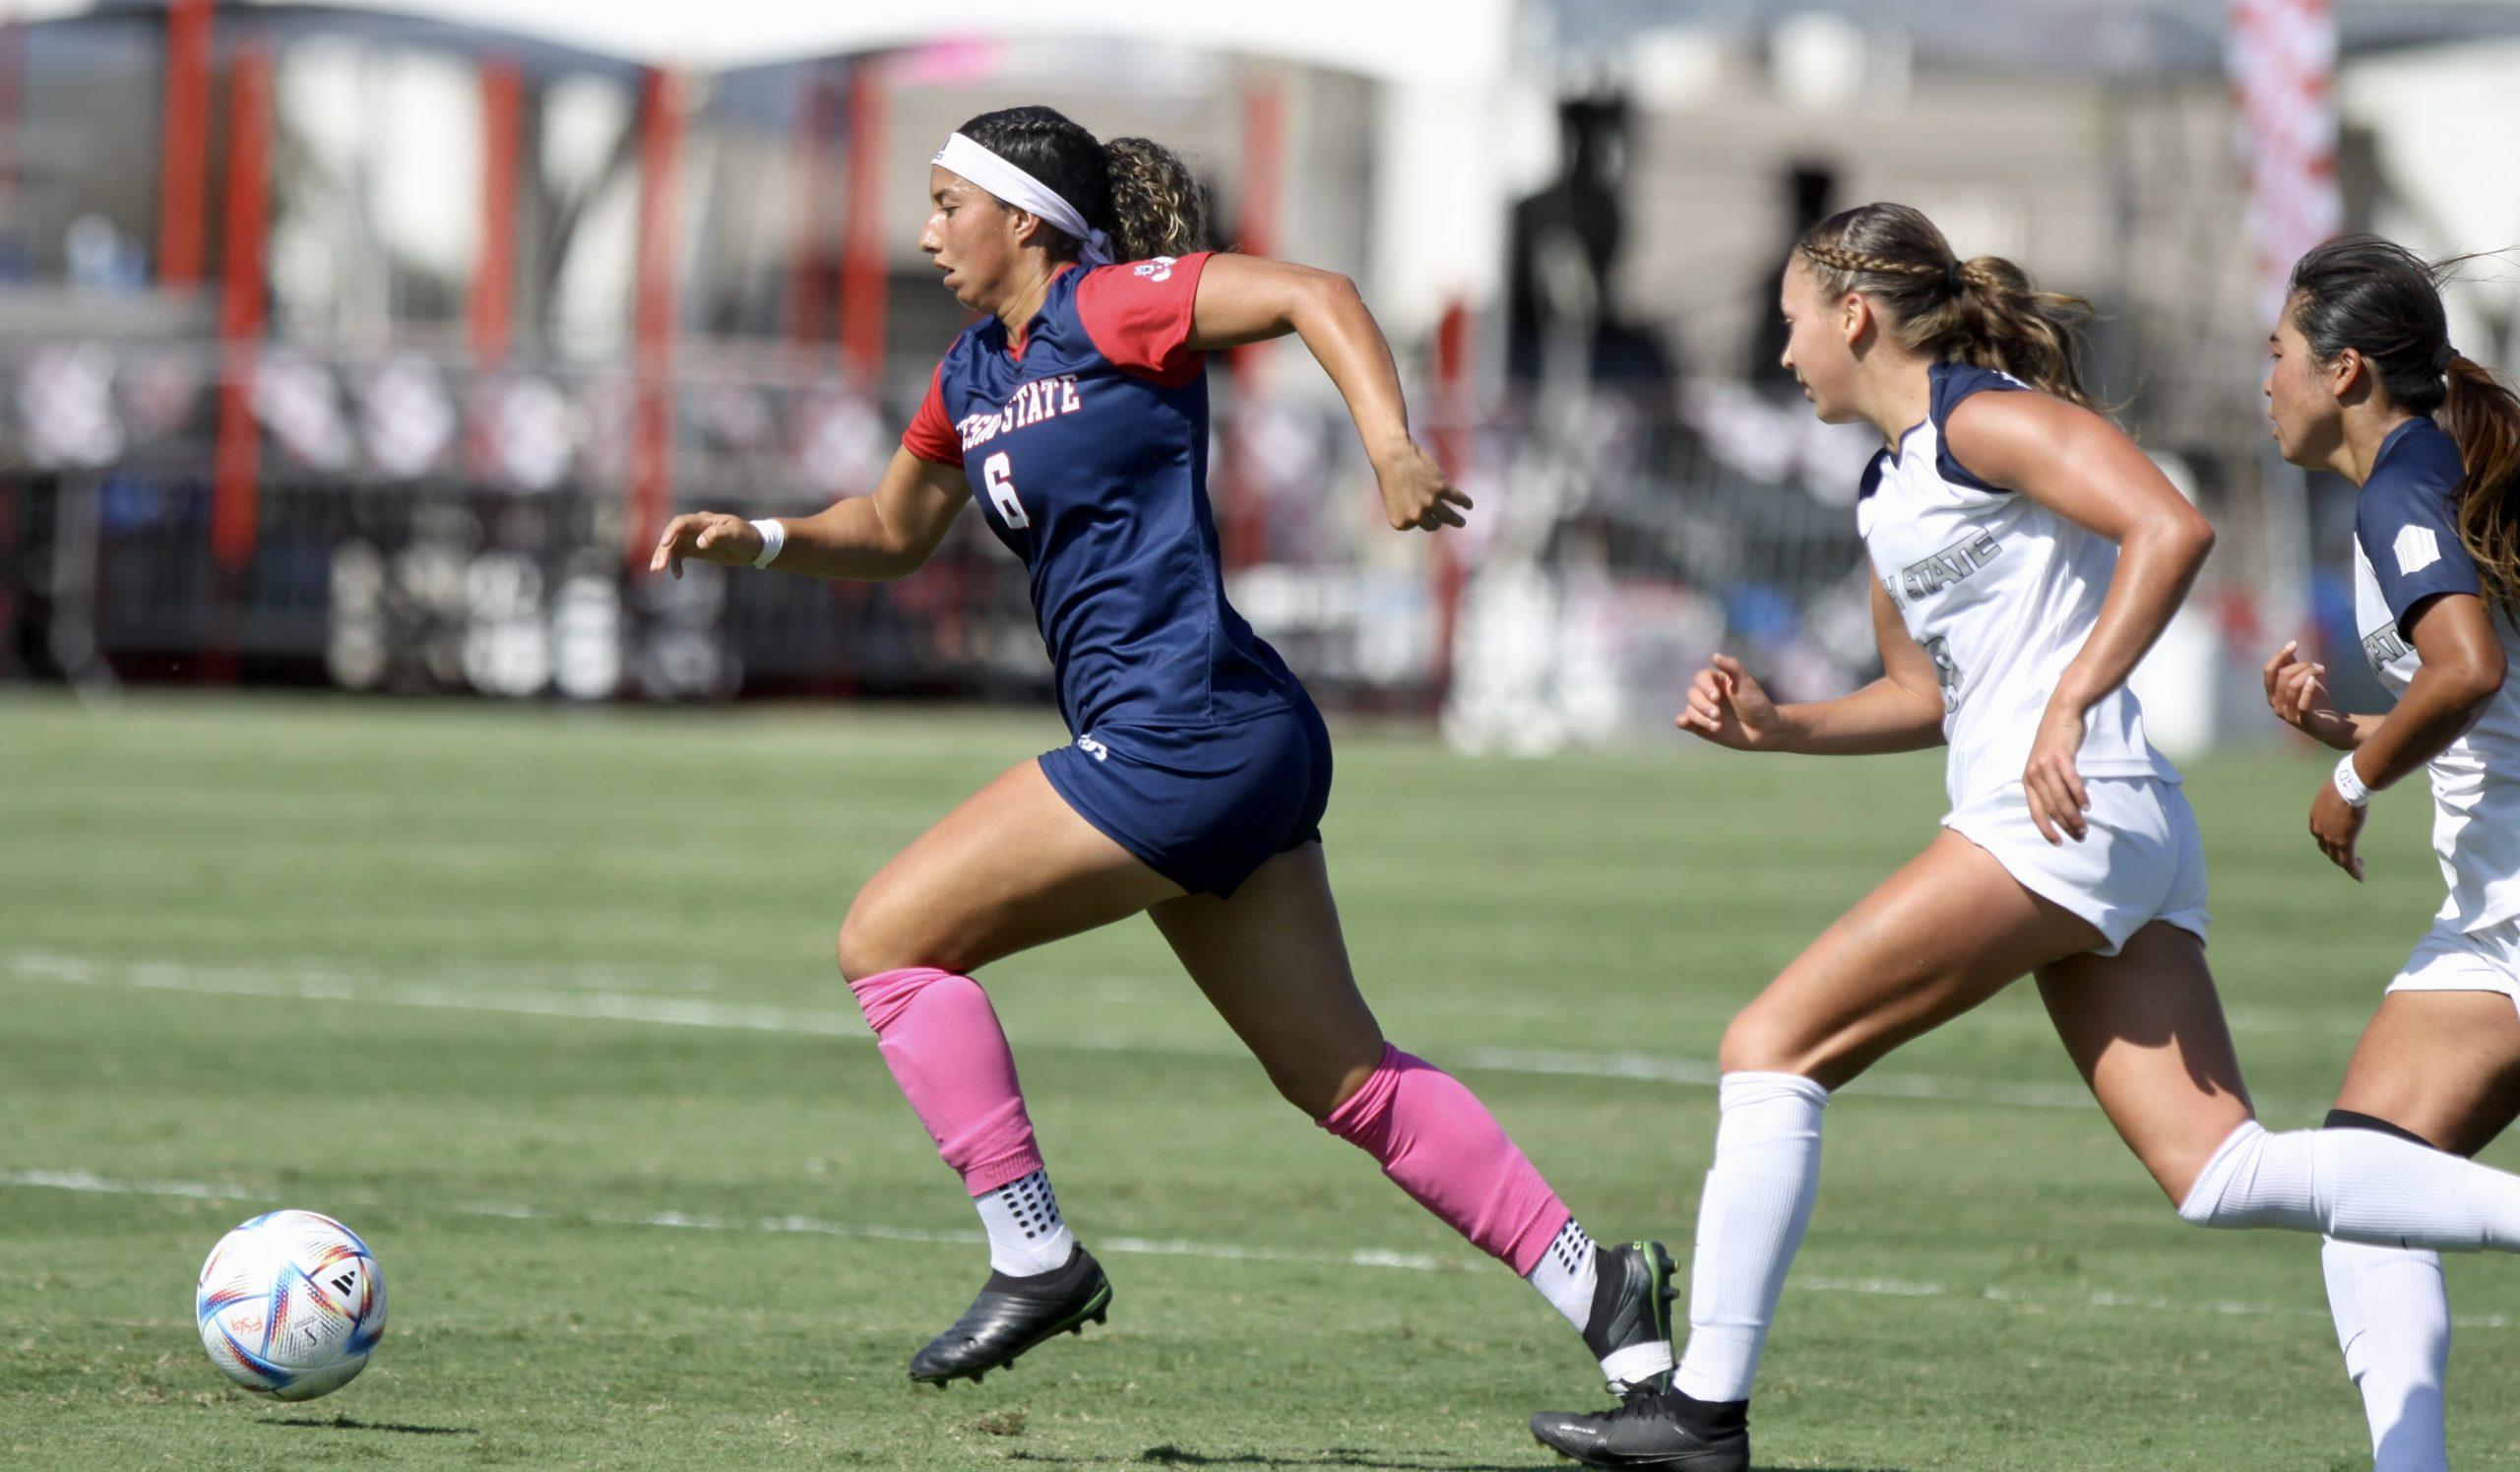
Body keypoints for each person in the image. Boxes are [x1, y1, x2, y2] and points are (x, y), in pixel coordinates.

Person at [650, 105, 1674, 1398]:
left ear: (1022, 216)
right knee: (1345, 1079)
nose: (925, 234)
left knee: (886, 944)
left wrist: (1394, 447)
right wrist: (763, 536)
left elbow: (1318, 293)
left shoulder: (1113, 306)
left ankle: (1034, 1256)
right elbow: (893, 527)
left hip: (1187, 732)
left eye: (945, 206)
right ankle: (1612, 1301)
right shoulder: (972, 368)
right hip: (1225, 738)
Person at [1529, 205, 2520, 1471]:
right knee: (2220, 1171)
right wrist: (1779, 727)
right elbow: (1923, 699)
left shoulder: (1978, 418)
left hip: (2063, 810)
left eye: (1789, 327)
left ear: (1853, 317)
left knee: (1769, 1047)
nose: (1778, 356)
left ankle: (1699, 1413)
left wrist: (2067, 705)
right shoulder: (1889, 483)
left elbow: (2171, 526)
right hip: (2096, 823)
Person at [2259, 233, 2520, 1472]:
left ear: (2345, 370)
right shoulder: (2438, 463)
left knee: (2359, 1186)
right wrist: (2354, 727)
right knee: (2364, 1186)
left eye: (2278, 355)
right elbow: (2485, 711)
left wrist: (2350, 779)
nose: (2265, 380)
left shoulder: (2400, 482)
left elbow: (2470, 670)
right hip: (2494, 920)